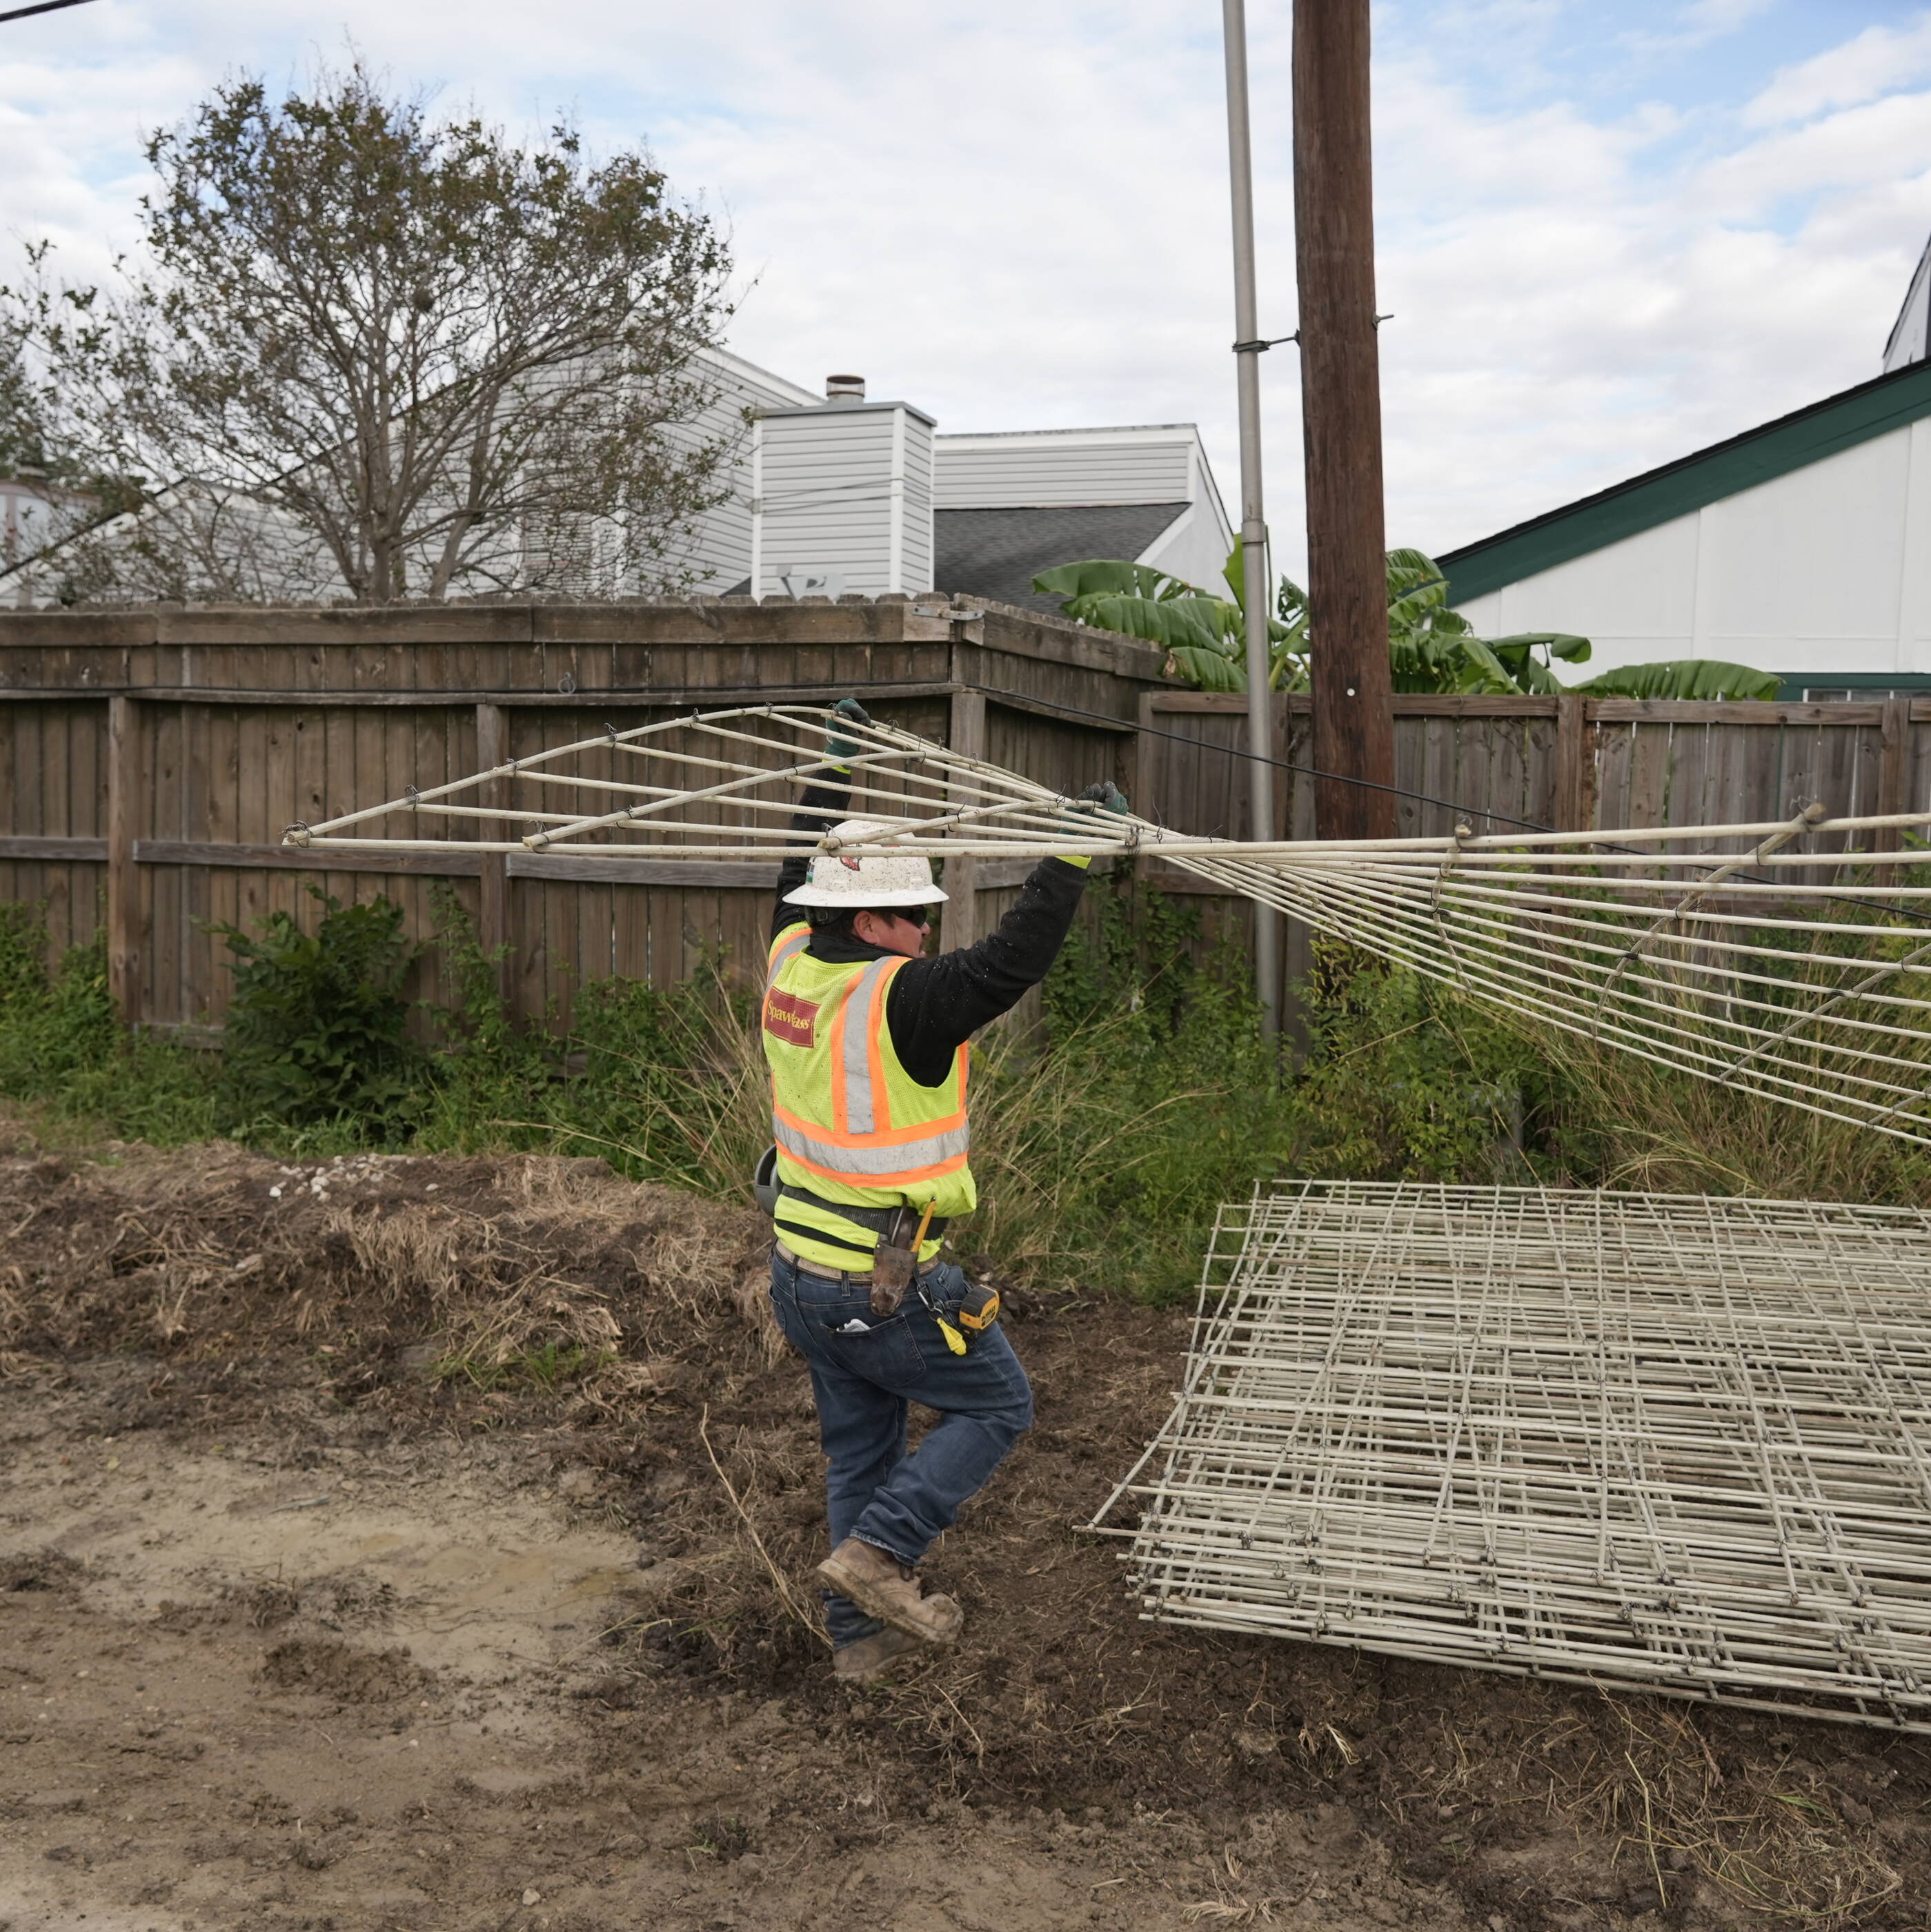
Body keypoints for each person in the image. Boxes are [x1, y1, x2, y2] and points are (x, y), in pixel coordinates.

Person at [762, 698, 1127, 1684]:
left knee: (859, 1454)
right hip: (873, 1285)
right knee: (1001, 1404)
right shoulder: (904, 996)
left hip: (798, 1272)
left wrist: (833, 766)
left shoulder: (791, 958)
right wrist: (1074, 854)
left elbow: (795, 862)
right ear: (873, 918)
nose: (929, 933)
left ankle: (860, 1650)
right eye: (918, 917)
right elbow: (1012, 963)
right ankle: (882, 1555)